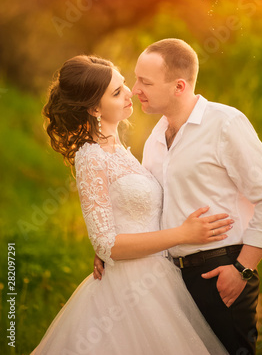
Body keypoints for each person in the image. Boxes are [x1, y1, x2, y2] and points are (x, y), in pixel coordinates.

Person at [93, 39, 262, 355]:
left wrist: (241, 269)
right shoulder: (156, 135)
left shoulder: (225, 123)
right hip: (170, 279)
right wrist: (112, 244)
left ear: (179, 86)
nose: (134, 89)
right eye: (136, 78)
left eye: (146, 82)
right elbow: (149, 206)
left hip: (221, 271)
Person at [32, 55, 231, 355]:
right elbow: (106, 245)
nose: (130, 93)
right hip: (129, 291)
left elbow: (124, 217)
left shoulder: (121, 150)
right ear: (94, 109)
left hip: (157, 276)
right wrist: (184, 234)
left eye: (124, 84)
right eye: (116, 92)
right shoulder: (91, 156)